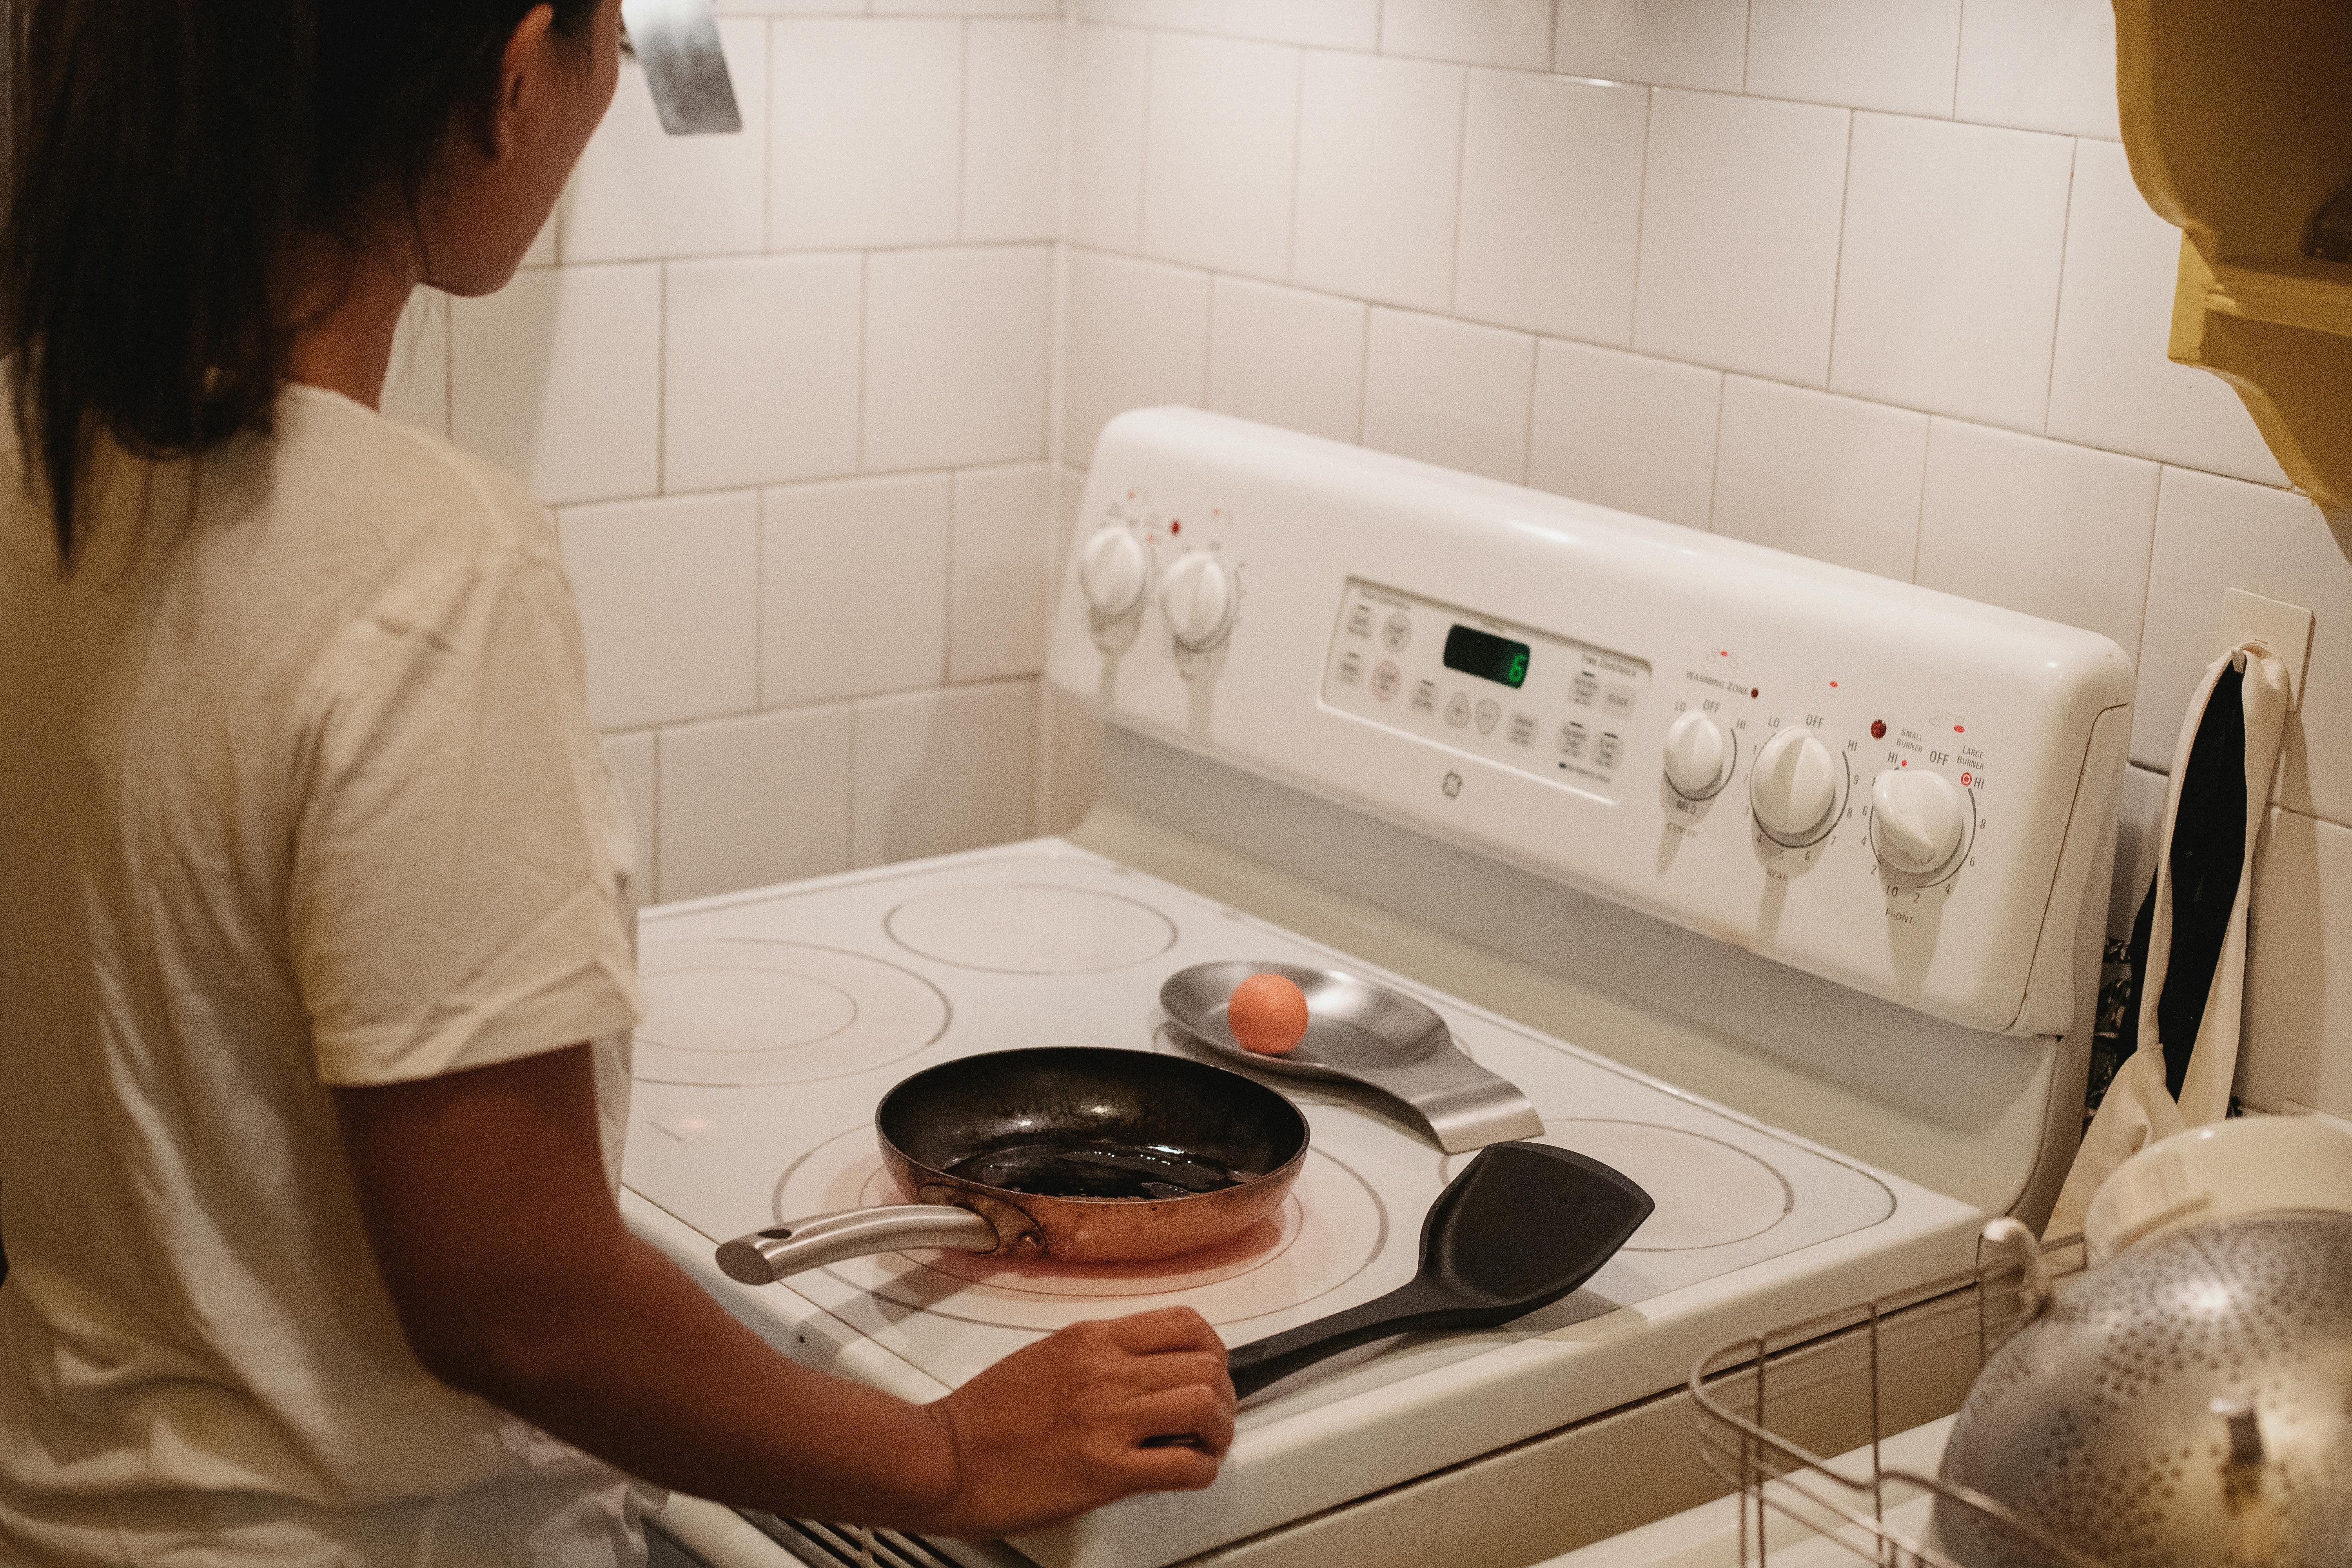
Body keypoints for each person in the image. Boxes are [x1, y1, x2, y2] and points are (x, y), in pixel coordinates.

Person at [0, 4, 1236, 1563]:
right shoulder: (426, 563)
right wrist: (941, 1452)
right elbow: (518, 1302)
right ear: (516, 81)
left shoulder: (33, 446)